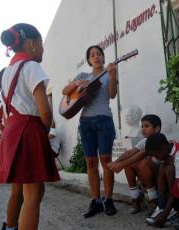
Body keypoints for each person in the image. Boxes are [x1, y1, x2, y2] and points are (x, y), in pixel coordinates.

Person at [0, 23, 60, 230]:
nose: (43, 49)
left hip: (12, 131)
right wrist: (45, 128)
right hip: (28, 130)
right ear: (32, 44)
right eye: (41, 44)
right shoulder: (31, 66)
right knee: (33, 195)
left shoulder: (7, 72)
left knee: (20, 190)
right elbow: (45, 111)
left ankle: (11, 226)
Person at [62, 45, 117, 218]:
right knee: (91, 163)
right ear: (88, 60)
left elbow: (112, 95)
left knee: (106, 161)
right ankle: (96, 201)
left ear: (103, 57)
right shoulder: (82, 76)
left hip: (104, 119)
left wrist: (113, 75)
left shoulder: (109, 74)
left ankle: (108, 199)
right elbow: (65, 92)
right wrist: (77, 83)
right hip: (86, 122)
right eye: (92, 55)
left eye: (99, 54)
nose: (96, 57)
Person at [108, 114, 162, 214]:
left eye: (147, 126)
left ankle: (154, 199)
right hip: (147, 177)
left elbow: (142, 154)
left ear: (157, 129)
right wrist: (116, 162)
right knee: (130, 164)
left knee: (144, 162)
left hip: (160, 178)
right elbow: (130, 152)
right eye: (142, 126)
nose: (143, 129)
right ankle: (135, 197)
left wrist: (121, 165)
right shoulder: (144, 140)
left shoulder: (158, 140)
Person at [144, 133, 179, 227]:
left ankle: (170, 211)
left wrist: (164, 216)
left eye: (156, 155)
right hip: (177, 184)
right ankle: (161, 206)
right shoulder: (168, 147)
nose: (155, 158)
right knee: (163, 167)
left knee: (169, 169)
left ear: (163, 148)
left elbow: (177, 187)